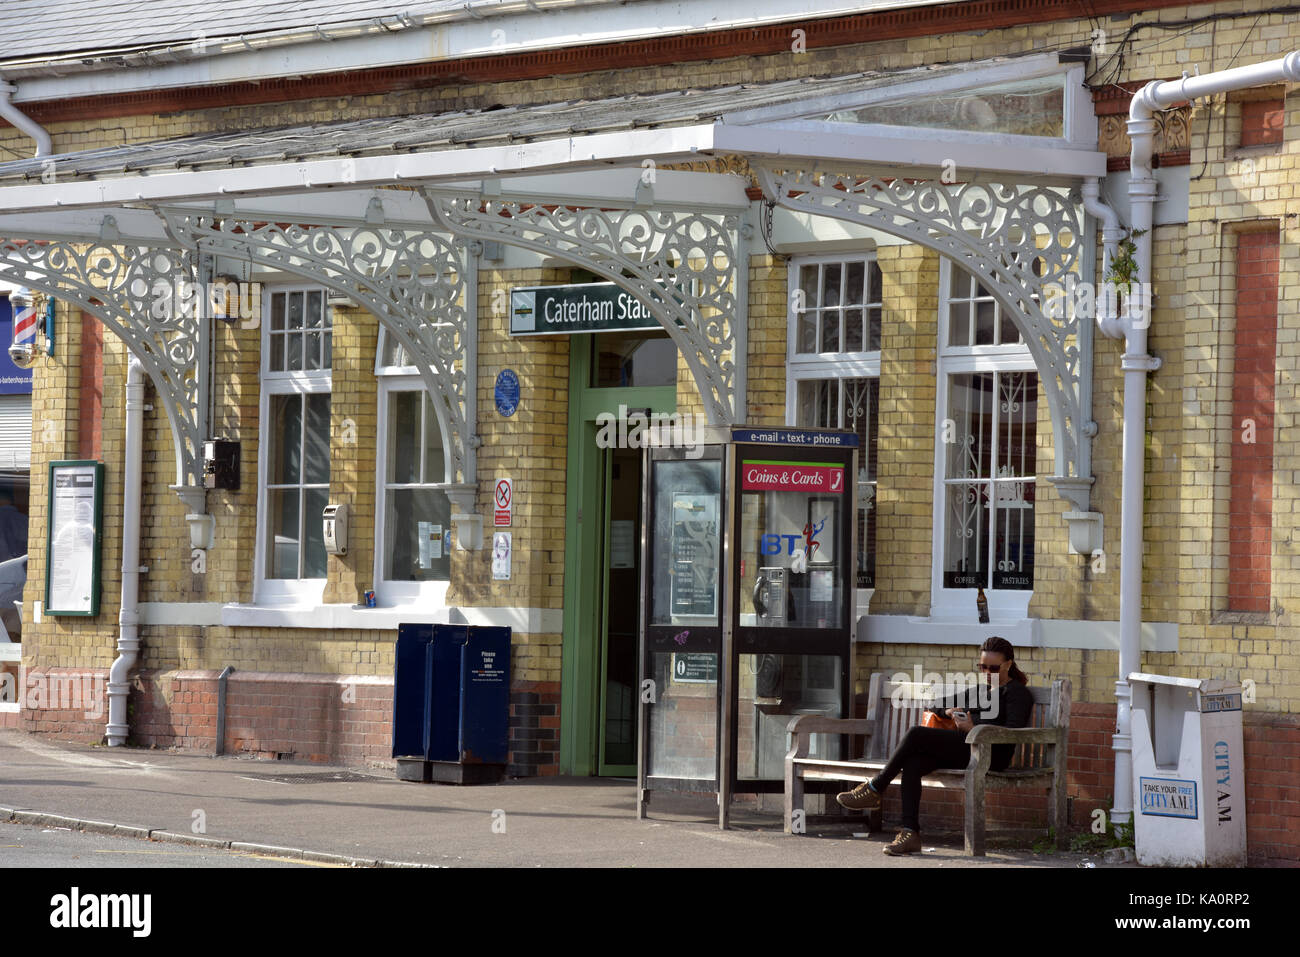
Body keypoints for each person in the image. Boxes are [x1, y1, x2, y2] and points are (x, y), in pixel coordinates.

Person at [836, 635, 1034, 855]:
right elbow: (936, 704)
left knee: (916, 734)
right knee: (913, 763)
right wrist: (949, 712)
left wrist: (973, 727)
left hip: (992, 755)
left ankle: (876, 788)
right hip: (965, 750)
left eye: (994, 668)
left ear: (1008, 664)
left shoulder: (1017, 694)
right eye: (982, 667)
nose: (987, 673)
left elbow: (1013, 732)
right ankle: (910, 833)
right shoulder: (980, 690)